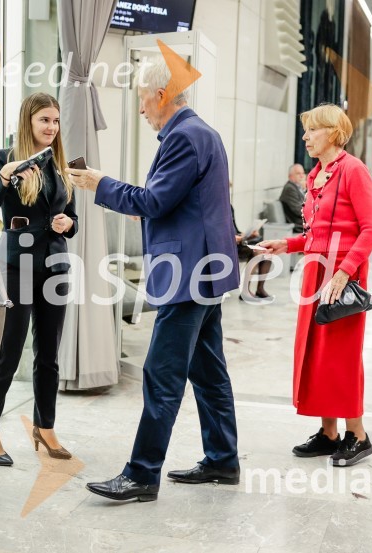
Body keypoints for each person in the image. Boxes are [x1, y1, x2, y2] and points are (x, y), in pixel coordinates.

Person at [67, 60, 241, 502]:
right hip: (206, 274)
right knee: (208, 373)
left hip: (188, 277)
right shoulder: (203, 133)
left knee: (161, 377)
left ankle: (142, 474)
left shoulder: (184, 136)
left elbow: (157, 201)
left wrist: (100, 184)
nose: (141, 108)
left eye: (142, 99)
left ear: (161, 95)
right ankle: (222, 459)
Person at [259, 103, 372, 467]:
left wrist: (344, 271)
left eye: (312, 130)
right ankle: (329, 433)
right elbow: (316, 233)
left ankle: (357, 434)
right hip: (317, 272)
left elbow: (370, 229)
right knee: (317, 352)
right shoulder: (317, 174)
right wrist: (289, 244)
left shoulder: (353, 171)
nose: (306, 137)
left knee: (341, 355)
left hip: (342, 275)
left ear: (332, 132)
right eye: (306, 131)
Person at [0, 92, 78, 465]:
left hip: (55, 266)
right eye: (44, 120)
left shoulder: (61, 164)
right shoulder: (2, 159)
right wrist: (4, 178)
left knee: (48, 354)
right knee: (9, 352)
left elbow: (73, 219)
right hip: (15, 266)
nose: (51, 127)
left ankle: (45, 427)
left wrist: (69, 223)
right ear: (28, 122)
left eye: (55, 121)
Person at [281, 163, 307, 233]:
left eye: (303, 173)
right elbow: (299, 210)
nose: (302, 176)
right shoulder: (290, 188)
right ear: (290, 176)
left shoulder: (297, 187)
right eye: (298, 173)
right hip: (297, 224)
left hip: (303, 222)